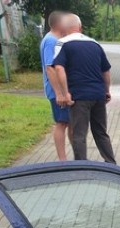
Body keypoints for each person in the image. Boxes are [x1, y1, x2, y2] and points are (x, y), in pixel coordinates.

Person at [52, 14, 117, 163]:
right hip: (98, 95)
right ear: (80, 28)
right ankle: (111, 164)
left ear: (64, 28)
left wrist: (65, 92)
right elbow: (105, 71)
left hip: (79, 97)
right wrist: (106, 91)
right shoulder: (95, 44)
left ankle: (81, 167)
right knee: (101, 132)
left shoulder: (62, 43)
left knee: (79, 134)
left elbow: (59, 68)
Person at [40, 10, 71, 160]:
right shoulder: (51, 40)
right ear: (59, 23)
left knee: (68, 123)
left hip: (60, 90)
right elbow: (49, 67)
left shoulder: (54, 39)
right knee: (62, 123)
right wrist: (59, 93)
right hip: (56, 91)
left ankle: (76, 157)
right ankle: (63, 161)